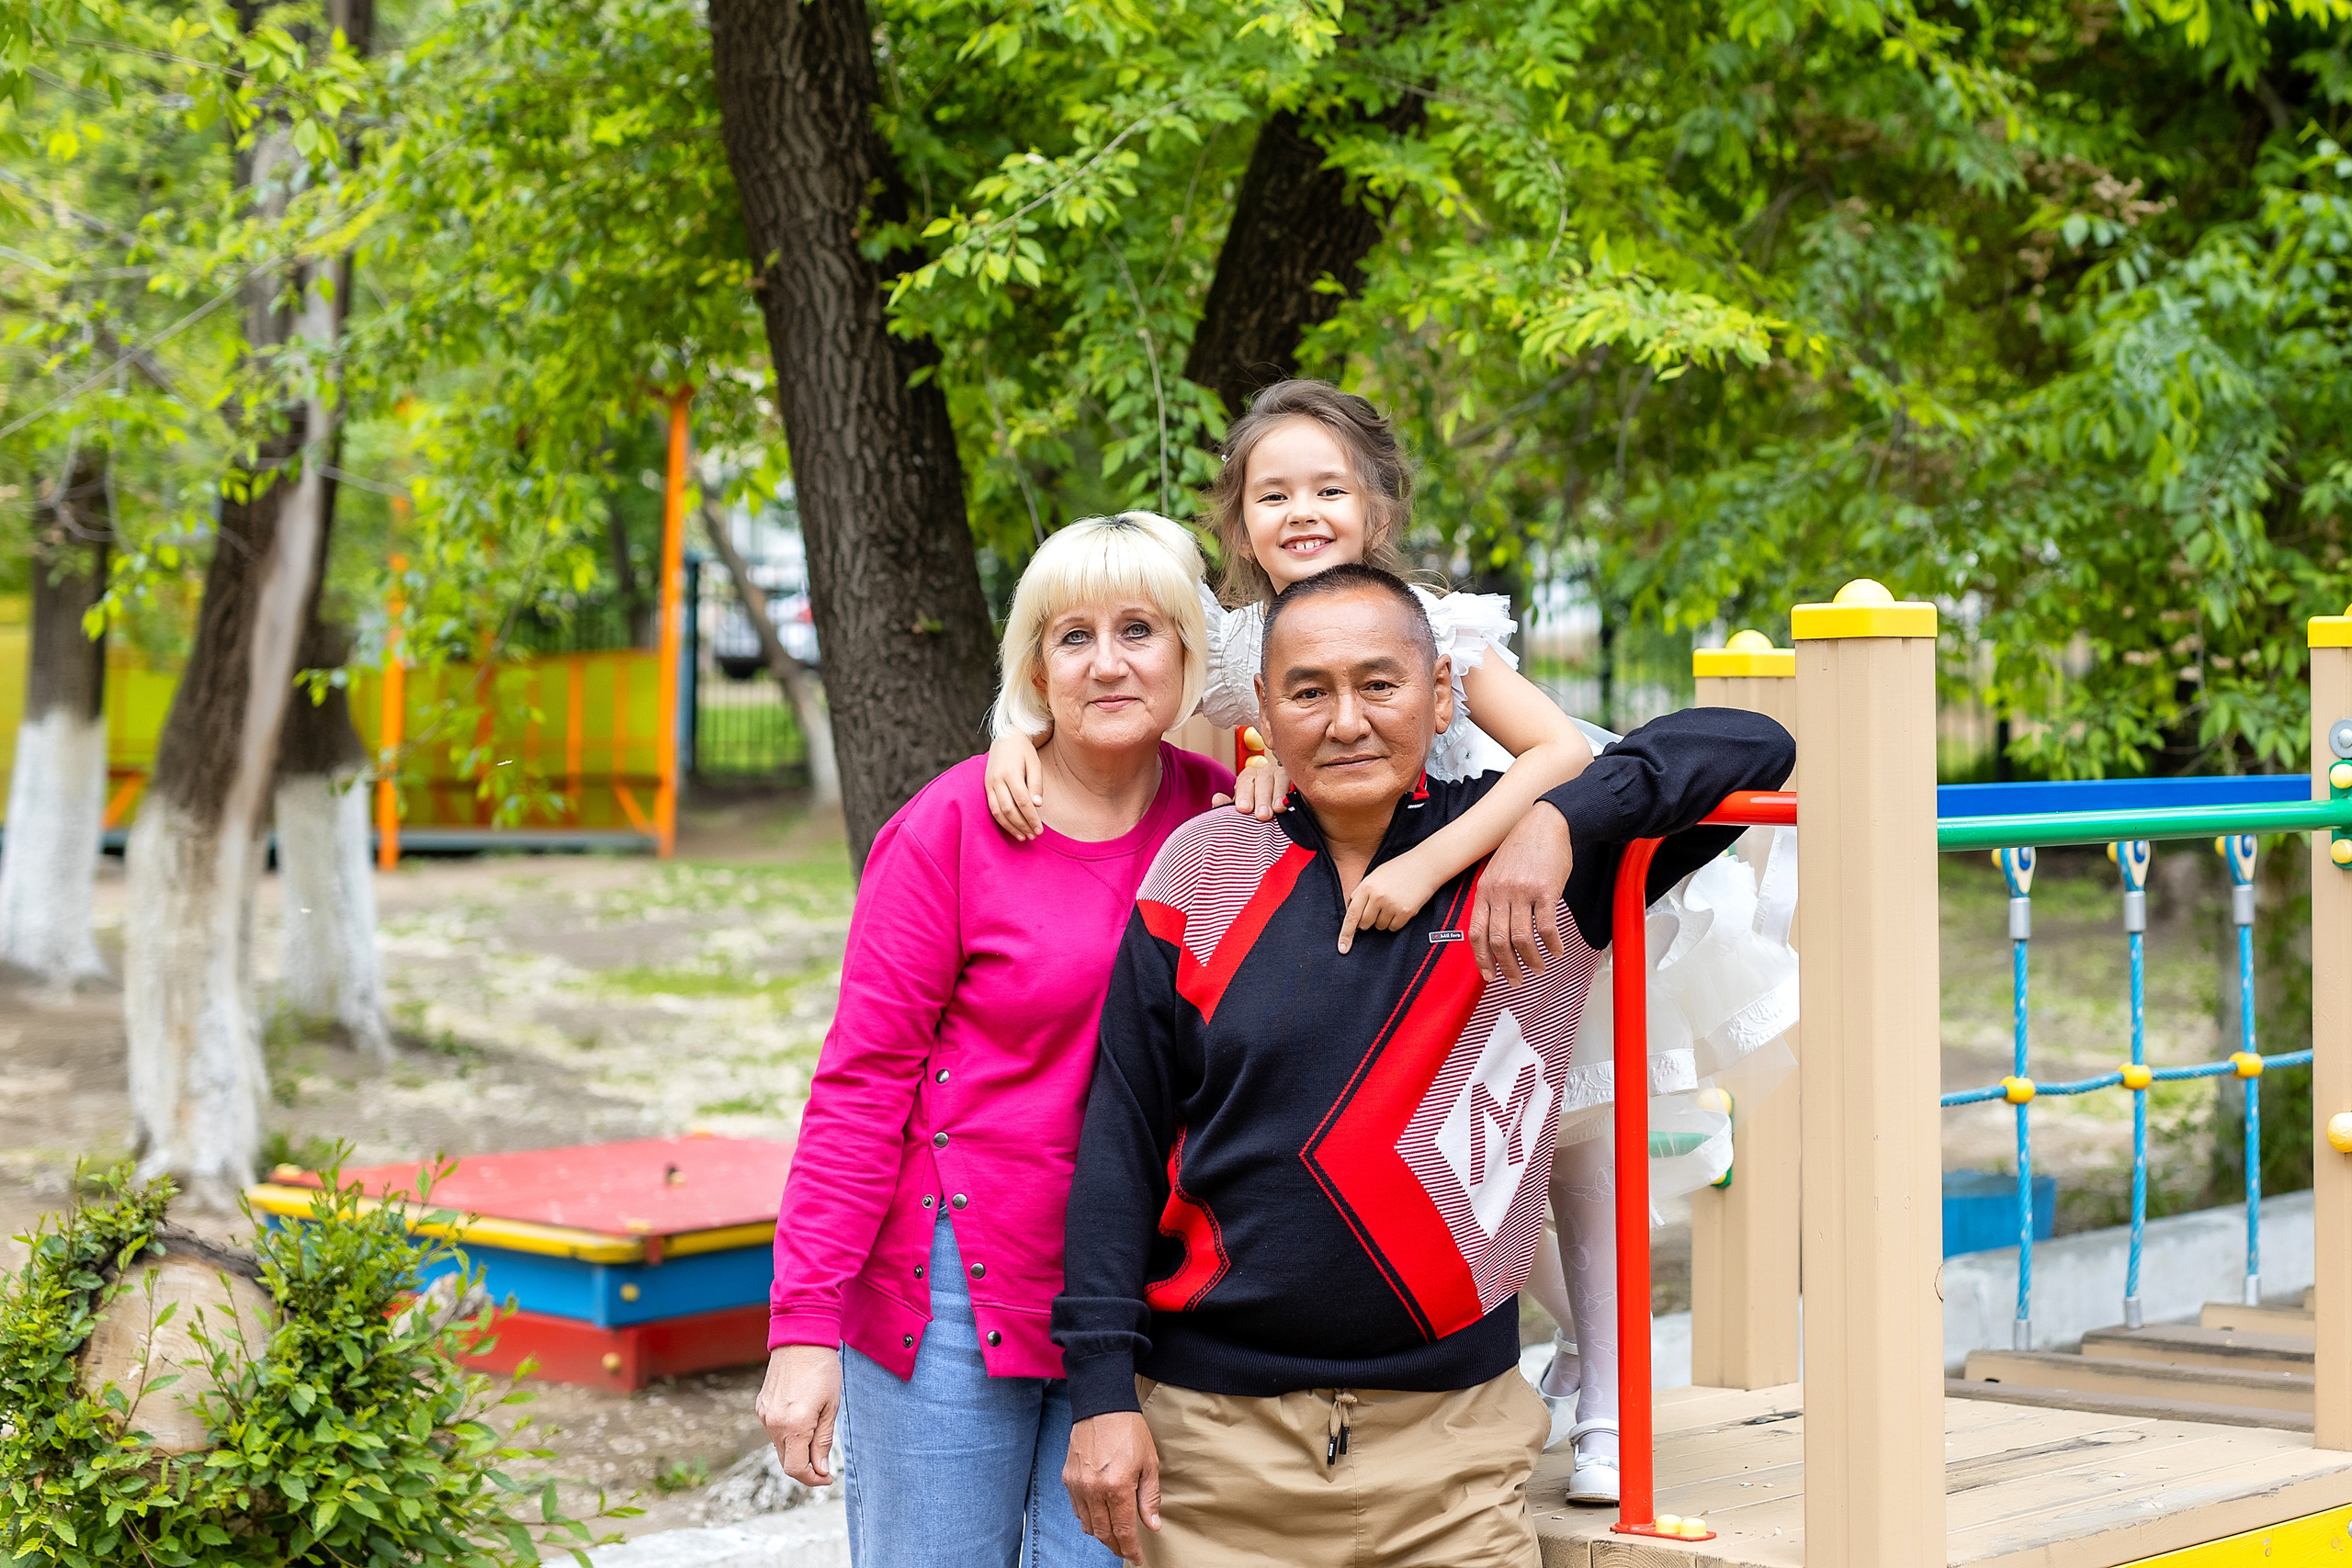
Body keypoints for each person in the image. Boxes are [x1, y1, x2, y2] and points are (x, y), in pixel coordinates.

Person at [1053, 565, 1792, 1565]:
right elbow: (1121, 1142)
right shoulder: (1201, 870)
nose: (1346, 720)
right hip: (1216, 1456)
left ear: (1442, 694)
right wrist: (1100, 1390)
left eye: (1380, 684)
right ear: (1263, 709)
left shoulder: (1537, 868)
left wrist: (1559, 819)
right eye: (1309, 691)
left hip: (1454, 1461)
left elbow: (1752, 743)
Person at [756, 513, 1236, 1568]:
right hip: (953, 1291)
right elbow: (860, 1087)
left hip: (1143, 1290)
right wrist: (804, 1326)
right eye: (1073, 637)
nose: (1107, 663)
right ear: (1035, 667)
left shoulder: (1227, 825)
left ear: (1189, 652)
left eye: (1139, 631)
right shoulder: (951, 828)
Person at [986, 378, 1597, 966]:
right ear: (1240, 531)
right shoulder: (1236, 646)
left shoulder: (1432, 627)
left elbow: (1562, 750)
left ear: (1377, 517)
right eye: (1274, 497)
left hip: (1483, 862)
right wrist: (1019, 736)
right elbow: (1123, 692)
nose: (1302, 513)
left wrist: (1427, 864)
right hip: (1358, 885)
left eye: (1329, 491)